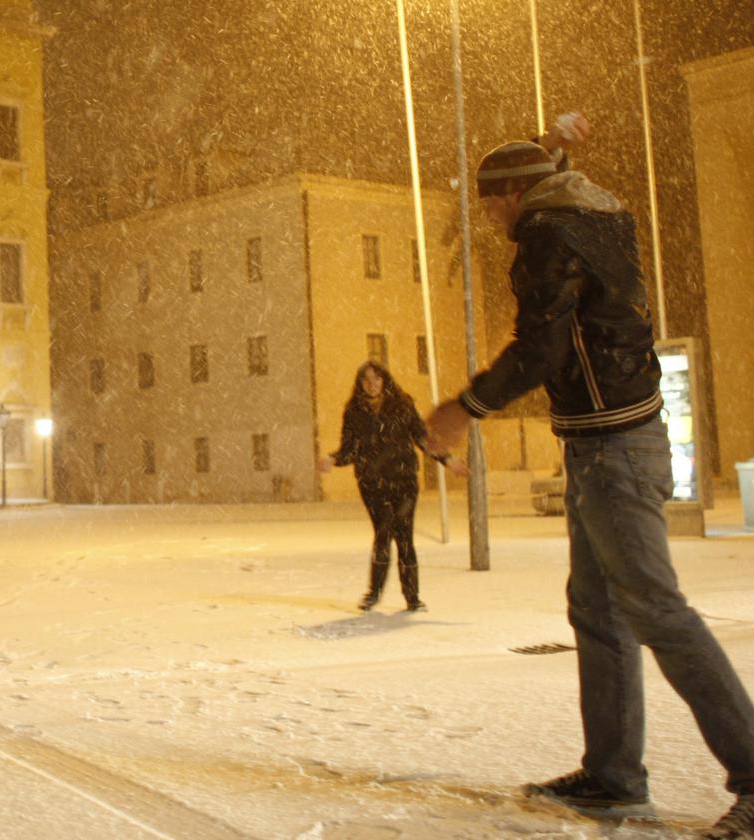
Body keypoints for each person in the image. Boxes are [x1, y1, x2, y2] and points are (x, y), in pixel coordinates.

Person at [425, 128, 754, 838]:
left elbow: (541, 345)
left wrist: (465, 408)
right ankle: (611, 777)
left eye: (489, 206)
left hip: (613, 447)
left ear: (511, 195)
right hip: (605, 439)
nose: (488, 220)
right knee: (597, 613)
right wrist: (549, 139)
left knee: (657, 612)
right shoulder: (588, 215)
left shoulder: (547, 231)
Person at [317, 362, 459, 613]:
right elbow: (349, 449)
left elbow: (421, 437)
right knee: (382, 535)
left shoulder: (402, 405)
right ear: (360, 384)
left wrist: (446, 458)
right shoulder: (354, 411)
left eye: (376, 379)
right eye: (366, 380)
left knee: (404, 538)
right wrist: (333, 458)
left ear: (385, 381)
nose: (371, 384)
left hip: (403, 481)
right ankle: (374, 593)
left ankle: (412, 597)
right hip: (372, 484)